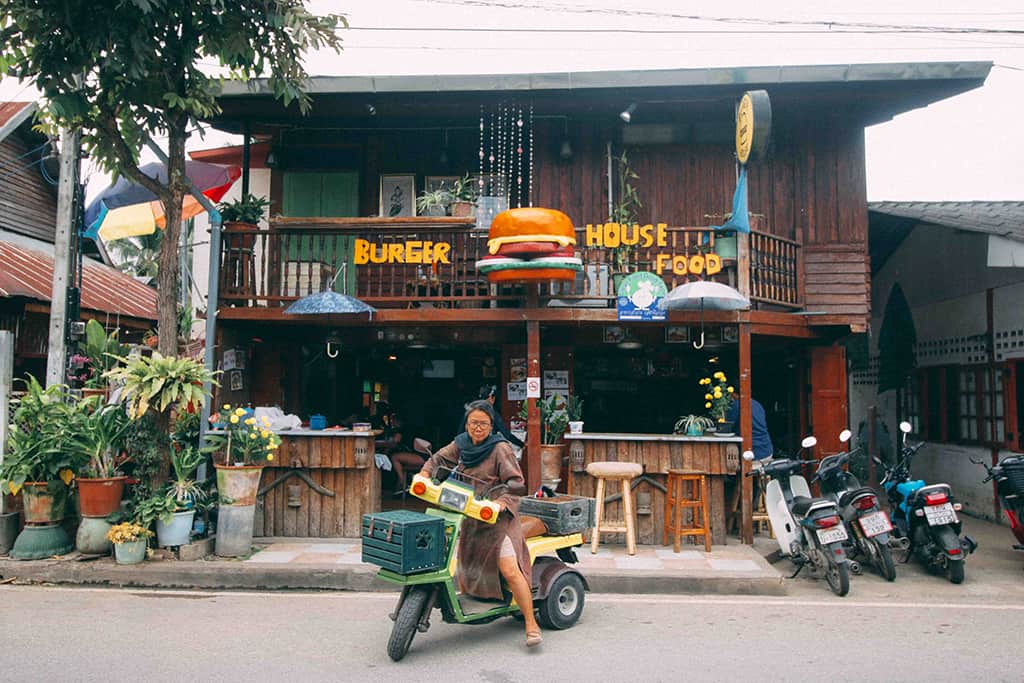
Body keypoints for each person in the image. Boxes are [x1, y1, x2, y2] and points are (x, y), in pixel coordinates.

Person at [420, 399, 541, 648]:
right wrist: (424, 474)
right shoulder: (461, 444)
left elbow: (516, 484)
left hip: (498, 520)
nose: (478, 428)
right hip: (470, 515)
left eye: (483, 423)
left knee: (509, 568)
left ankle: (531, 624)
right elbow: (438, 460)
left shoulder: (501, 448)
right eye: (473, 423)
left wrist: (500, 503)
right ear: (466, 424)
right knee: (460, 560)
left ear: (492, 425)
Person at [469, 385, 525, 449]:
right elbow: (506, 434)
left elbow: (461, 432)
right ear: (491, 398)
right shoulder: (492, 413)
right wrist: (521, 444)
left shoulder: (471, 412)